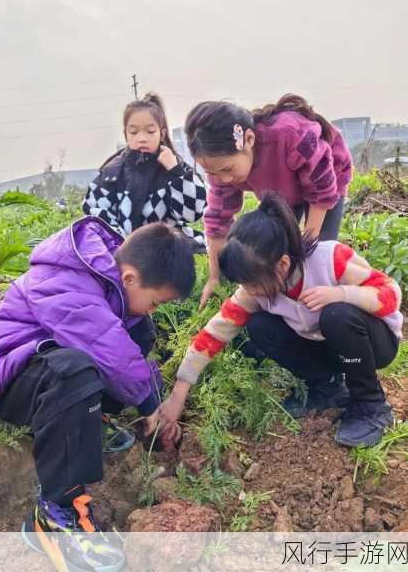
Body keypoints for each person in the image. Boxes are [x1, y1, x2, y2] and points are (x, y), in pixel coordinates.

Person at [0, 219, 195, 572]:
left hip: (44, 372)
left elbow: (126, 352)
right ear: (131, 278)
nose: (153, 309)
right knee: (76, 370)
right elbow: (109, 350)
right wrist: (150, 404)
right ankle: (55, 514)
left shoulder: (109, 283)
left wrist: (158, 397)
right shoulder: (67, 278)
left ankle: (84, 420)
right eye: (155, 301)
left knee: (139, 334)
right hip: (6, 379)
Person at [159, 194, 402, 449]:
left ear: (283, 264)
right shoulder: (255, 290)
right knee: (260, 326)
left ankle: (371, 405)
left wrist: (341, 294)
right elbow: (214, 334)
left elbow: (390, 293)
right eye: (243, 284)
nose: (248, 290)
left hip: (375, 344)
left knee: (336, 314)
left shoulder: (329, 260)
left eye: (251, 283)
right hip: (330, 347)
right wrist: (178, 395)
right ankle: (328, 389)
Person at [184, 94, 353, 309]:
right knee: (277, 251)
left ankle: (325, 306)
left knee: (318, 254)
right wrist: (215, 278)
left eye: (227, 169)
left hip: (327, 182)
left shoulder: (290, 135)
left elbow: (321, 192)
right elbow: (217, 222)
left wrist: (306, 253)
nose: (223, 179)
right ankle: (282, 306)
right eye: (212, 173)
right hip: (282, 191)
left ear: (249, 140)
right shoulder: (220, 170)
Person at [83, 92, 207, 253]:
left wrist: (176, 172)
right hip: (123, 249)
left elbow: (193, 213)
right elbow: (95, 212)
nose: (141, 138)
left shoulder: (174, 165)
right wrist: (122, 242)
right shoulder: (111, 172)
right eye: (134, 132)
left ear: (162, 134)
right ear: (125, 135)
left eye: (150, 131)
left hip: (169, 246)